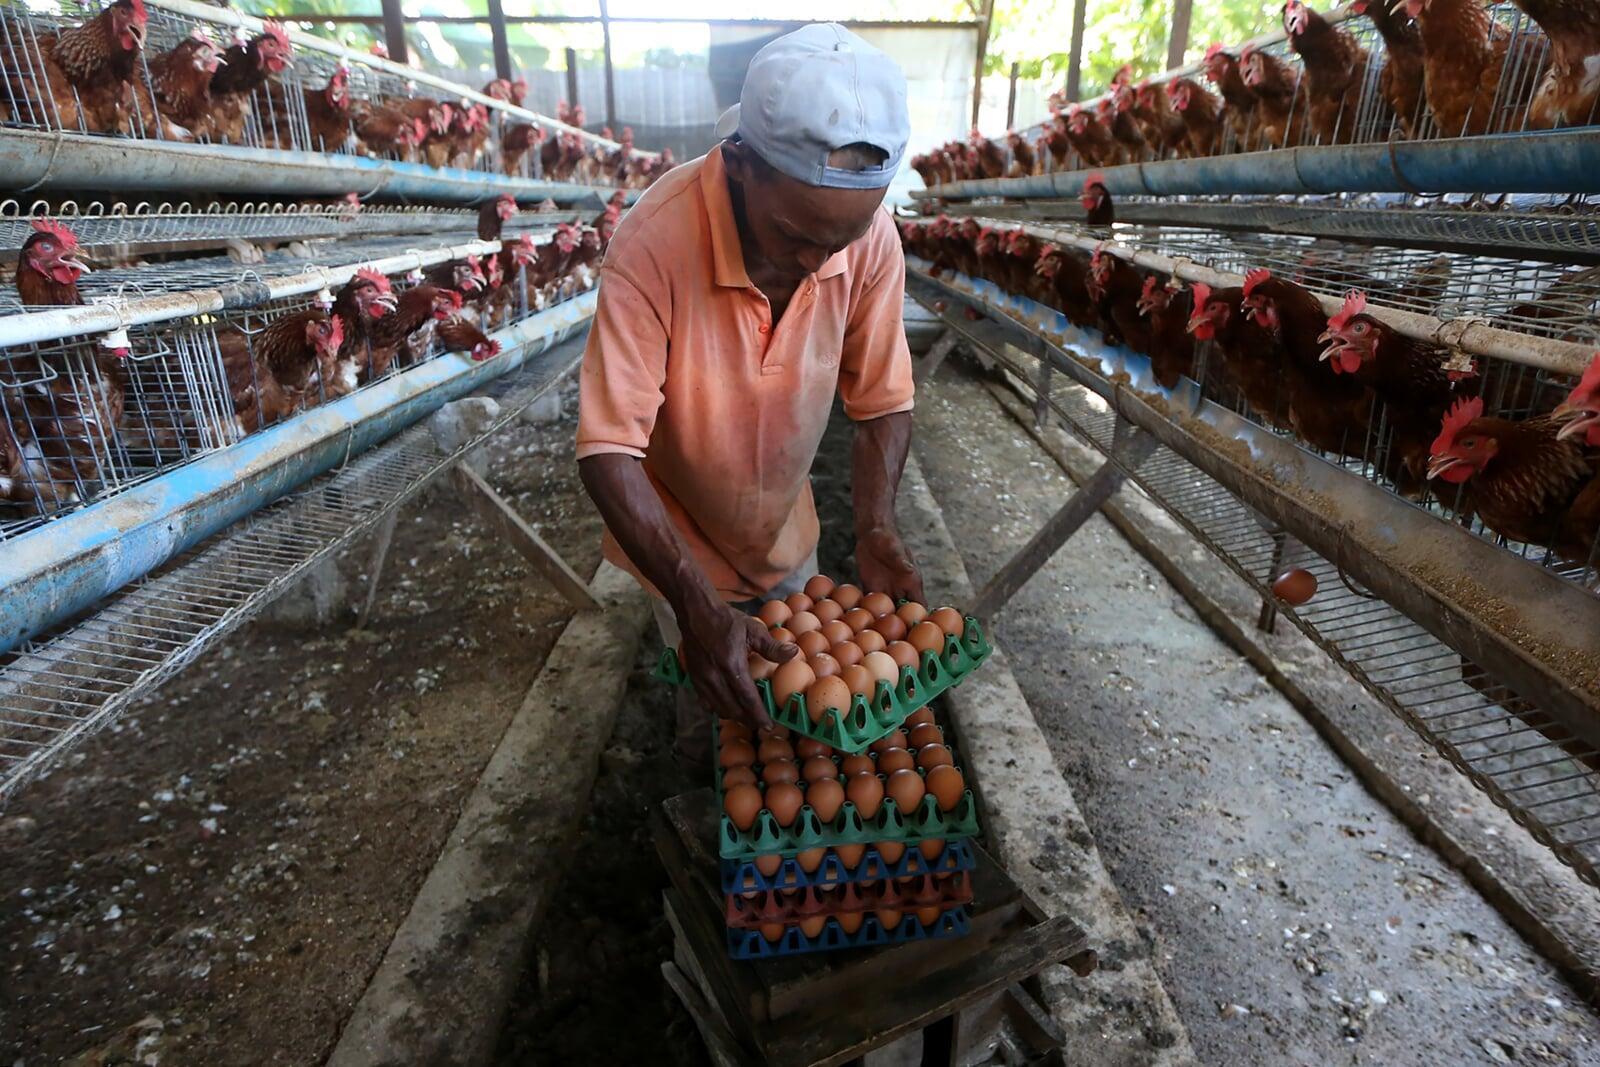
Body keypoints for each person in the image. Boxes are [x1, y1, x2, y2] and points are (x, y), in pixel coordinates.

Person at [576, 23, 922, 764]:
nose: (816, 260)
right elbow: (607, 449)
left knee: (805, 736)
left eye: (841, 239)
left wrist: (875, 524)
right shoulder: (653, 245)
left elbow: (883, 397)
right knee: (722, 722)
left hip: (784, 530)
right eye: (795, 233)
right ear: (739, 166)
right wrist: (695, 604)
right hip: (680, 539)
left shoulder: (869, 239)